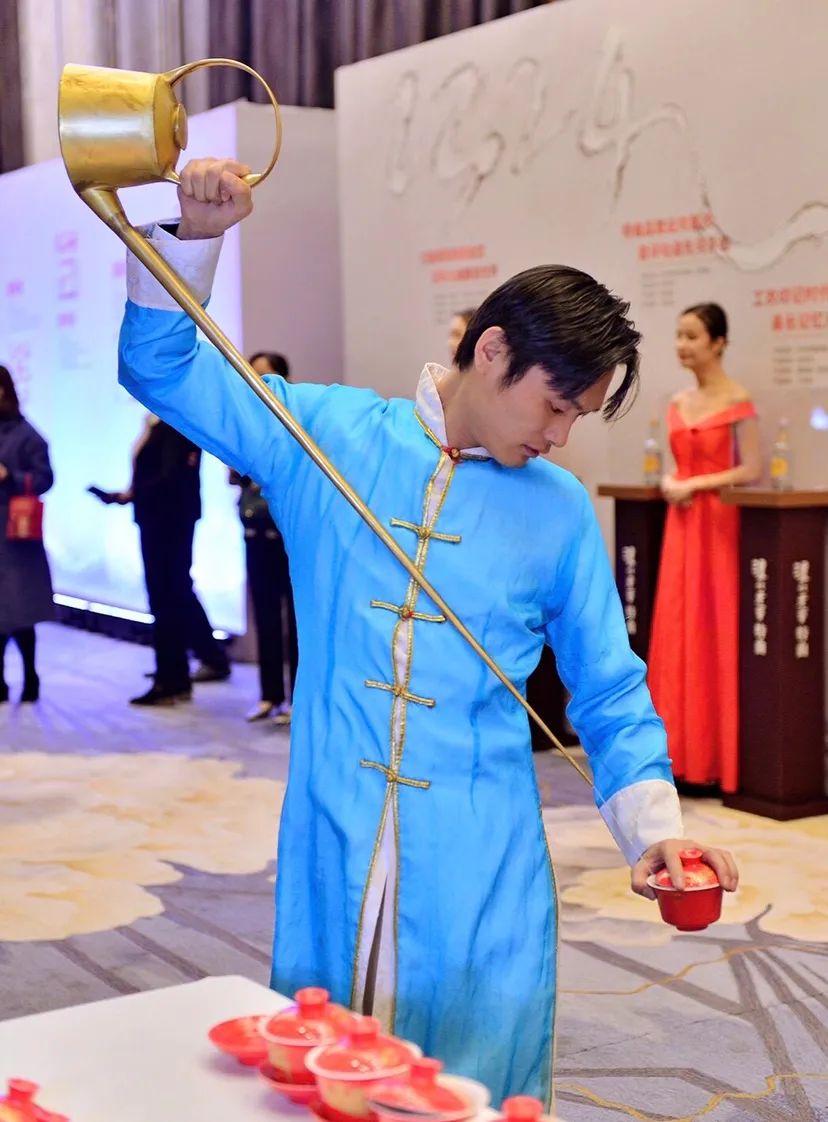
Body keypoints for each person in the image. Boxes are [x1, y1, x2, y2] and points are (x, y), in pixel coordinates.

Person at [116, 157, 739, 1106]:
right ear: (492, 351)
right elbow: (161, 369)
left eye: (578, 416)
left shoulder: (560, 510)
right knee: (325, 1078)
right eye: (556, 405)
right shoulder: (327, 436)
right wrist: (195, 239)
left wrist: (657, 833)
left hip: (486, 860)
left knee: (470, 1083)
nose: (561, 436)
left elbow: (609, 686)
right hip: (332, 831)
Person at [648, 304, 760, 794]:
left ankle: (714, 758)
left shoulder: (738, 400)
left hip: (716, 524)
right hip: (682, 523)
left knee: (713, 631)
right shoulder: (677, 401)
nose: (682, 345)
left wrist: (696, 483)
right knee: (676, 628)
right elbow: (674, 463)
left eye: (692, 336)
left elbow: (752, 468)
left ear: (719, 342)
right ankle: (675, 756)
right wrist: (671, 480)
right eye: (679, 335)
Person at [91, 414, 230, 705]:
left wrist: (135, 494)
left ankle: (172, 678)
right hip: (160, 518)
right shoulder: (160, 423)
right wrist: (129, 496)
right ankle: (175, 672)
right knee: (171, 594)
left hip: (168, 520)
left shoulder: (177, 422)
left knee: (168, 596)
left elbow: (170, 478)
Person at [231, 350, 298, 723]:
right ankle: (269, 695)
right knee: (265, 615)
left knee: (296, 620)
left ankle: (297, 699)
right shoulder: (246, 423)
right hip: (254, 532)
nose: (257, 381)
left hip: (287, 535)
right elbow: (234, 473)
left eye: (265, 375)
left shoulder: (294, 419)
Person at [0, 365, 54, 703]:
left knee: (20, 610)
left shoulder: (26, 433)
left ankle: (30, 676)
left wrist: (10, 476)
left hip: (15, 535)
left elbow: (45, 478)